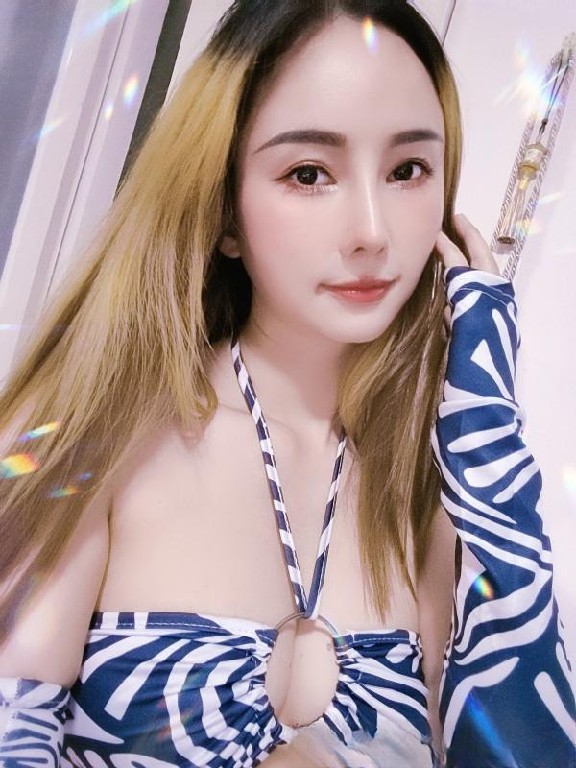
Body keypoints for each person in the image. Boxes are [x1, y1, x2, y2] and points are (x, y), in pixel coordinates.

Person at [0, 1, 574, 766]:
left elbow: (525, 742)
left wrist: (485, 412)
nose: (372, 230)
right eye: (309, 173)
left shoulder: (433, 487)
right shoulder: (93, 435)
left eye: (407, 170)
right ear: (224, 207)